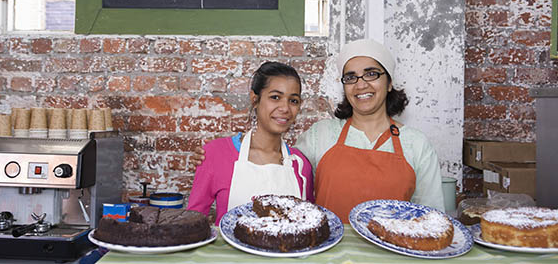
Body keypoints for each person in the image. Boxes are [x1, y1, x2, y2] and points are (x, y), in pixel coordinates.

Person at [191, 39, 444, 223]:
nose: (361, 84)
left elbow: (433, 220)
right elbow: (276, 162)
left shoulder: (416, 144)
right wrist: (211, 158)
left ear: (389, 83)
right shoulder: (320, 135)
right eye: (351, 77)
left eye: (372, 74)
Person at [186, 61, 314, 225]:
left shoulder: (301, 164)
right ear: (255, 99)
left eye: (293, 101)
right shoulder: (214, 154)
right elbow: (193, 223)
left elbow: (307, 224)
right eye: (275, 97)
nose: (285, 108)